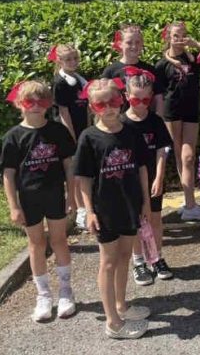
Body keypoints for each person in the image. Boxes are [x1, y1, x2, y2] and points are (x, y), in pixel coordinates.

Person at [75, 78, 152, 339]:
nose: (108, 108)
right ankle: (113, 322)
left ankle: (121, 305)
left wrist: (145, 201)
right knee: (108, 262)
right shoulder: (89, 137)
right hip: (104, 207)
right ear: (92, 106)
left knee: (124, 256)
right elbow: (83, 178)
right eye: (101, 104)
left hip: (130, 204)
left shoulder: (130, 131)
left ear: (121, 100)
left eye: (113, 101)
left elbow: (141, 167)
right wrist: (88, 211)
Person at [0, 80, 77, 321]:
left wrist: (72, 195)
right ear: (19, 104)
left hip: (55, 195)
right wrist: (13, 206)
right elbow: (8, 174)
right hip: (29, 199)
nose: (35, 106)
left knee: (59, 240)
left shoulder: (57, 131)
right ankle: (43, 295)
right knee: (36, 244)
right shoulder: (13, 137)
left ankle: (66, 291)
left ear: (48, 104)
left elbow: (68, 166)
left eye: (41, 101)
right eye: (29, 102)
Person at [154, 21, 200, 222]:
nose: (180, 39)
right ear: (168, 38)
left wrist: (196, 44)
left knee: (188, 157)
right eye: (176, 36)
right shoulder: (162, 64)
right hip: (172, 113)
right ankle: (189, 204)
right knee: (180, 157)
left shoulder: (193, 58)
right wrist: (160, 119)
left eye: (183, 35)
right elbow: (159, 95)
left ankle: (189, 204)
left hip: (191, 111)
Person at [122, 69, 175, 283]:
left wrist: (159, 178)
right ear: (126, 96)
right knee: (136, 221)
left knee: (154, 218)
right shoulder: (121, 123)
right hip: (130, 180)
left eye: (146, 98)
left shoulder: (156, 121)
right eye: (136, 98)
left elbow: (162, 150)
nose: (142, 103)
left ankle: (156, 257)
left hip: (153, 178)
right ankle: (138, 262)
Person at [48, 44, 89, 229]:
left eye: (75, 58)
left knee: (84, 169)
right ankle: (79, 209)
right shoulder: (60, 82)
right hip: (69, 132)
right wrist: (72, 137)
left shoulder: (80, 80)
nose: (73, 62)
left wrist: (88, 129)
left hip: (82, 129)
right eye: (68, 59)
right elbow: (63, 113)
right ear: (60, 61)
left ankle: (86, 206)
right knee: (74, 171)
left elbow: (86, 107)